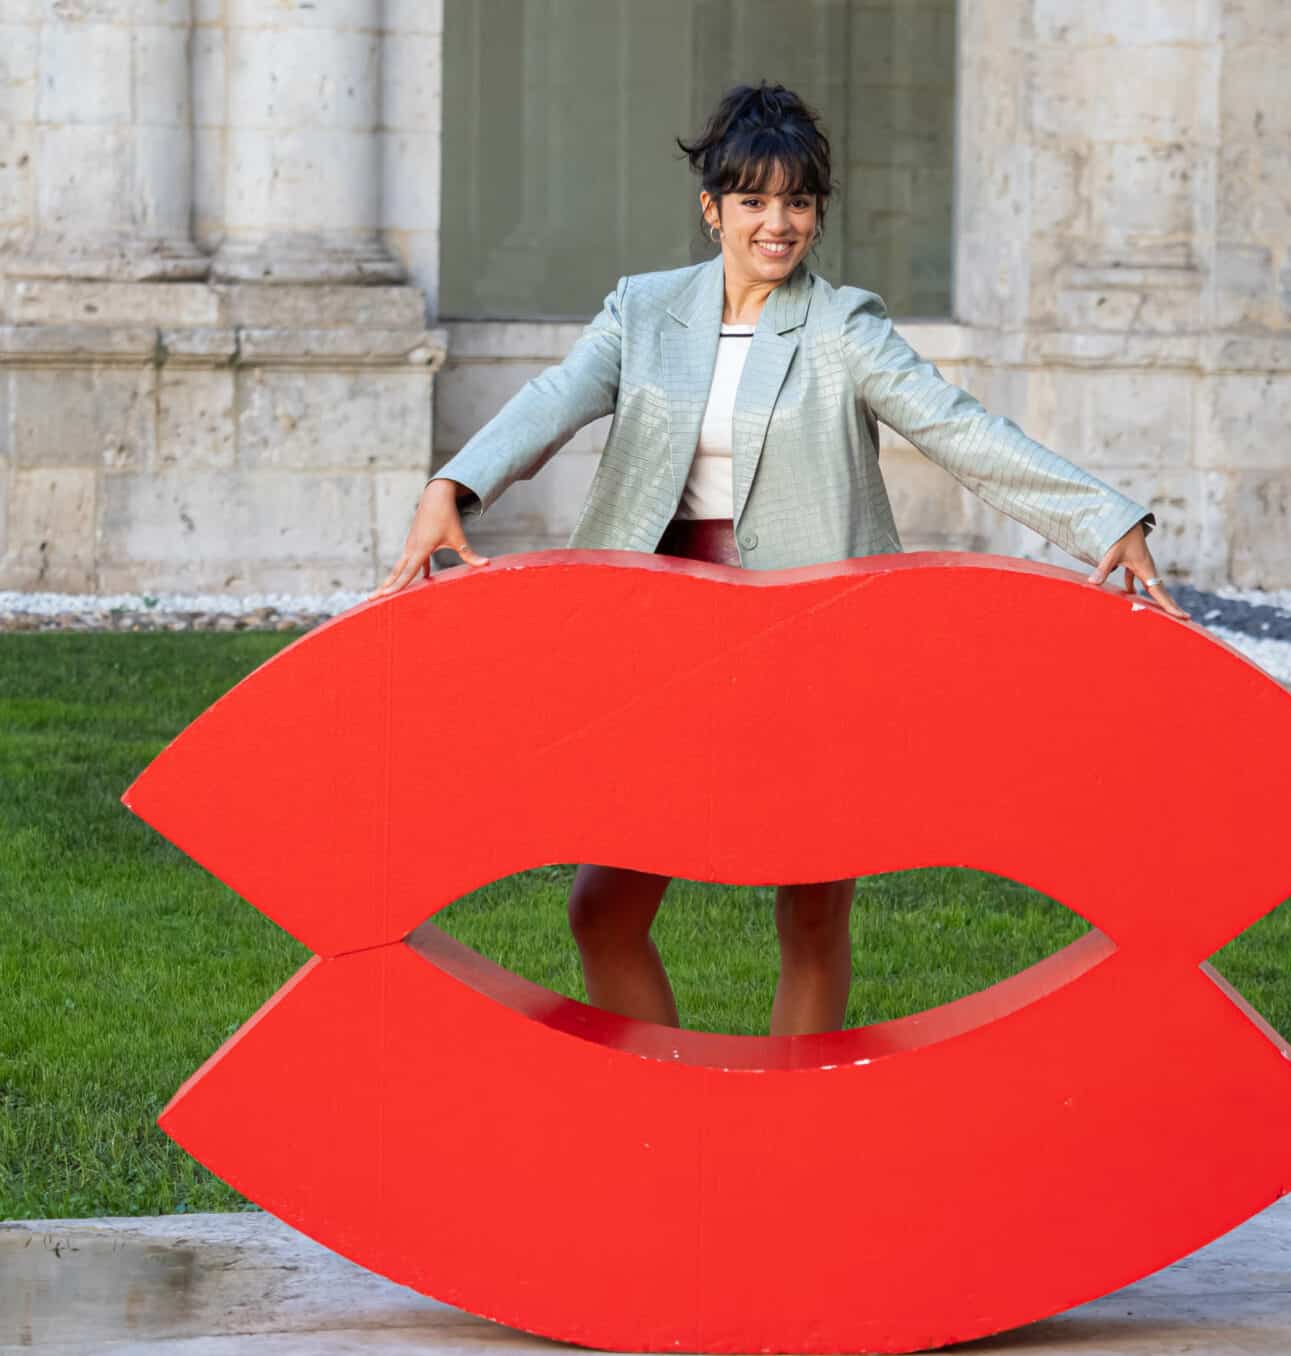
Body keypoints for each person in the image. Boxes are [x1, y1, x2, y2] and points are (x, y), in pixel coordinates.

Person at [371, 81, 1189, 1039]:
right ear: (711, 207)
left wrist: (1101, 519)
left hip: (813, 641)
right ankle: (671, 1103)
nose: (778, 222)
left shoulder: (843, 326)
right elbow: (553, 400)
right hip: (661, 642)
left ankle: (803, 1116)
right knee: (603, 910)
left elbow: (957, 428)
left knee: (810, 914)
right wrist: (455, 484)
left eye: (799, 201)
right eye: (754, 199)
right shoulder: (643, 311)